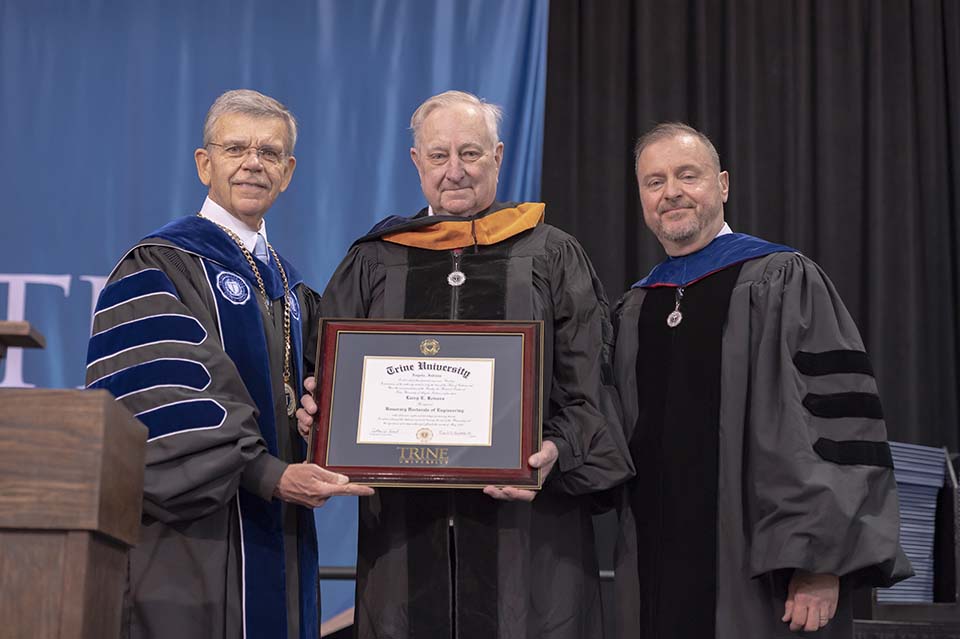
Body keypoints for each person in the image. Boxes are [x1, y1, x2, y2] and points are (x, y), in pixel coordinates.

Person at [297, 90, 634, 638]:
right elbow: (326, 378)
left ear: (499, 156)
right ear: (416, 162)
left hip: (530, 544)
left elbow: (590, 389)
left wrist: (556, 452)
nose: (454, 171)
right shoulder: (375, 259)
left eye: (471, 153)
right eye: (438, 155)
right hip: (405, 546)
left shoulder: (550, 254)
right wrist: (317, 416)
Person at [84, 89, 373, 639]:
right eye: (236, 147)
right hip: (192, 542)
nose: (253, 163)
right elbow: (161, 402)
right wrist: (268, 473)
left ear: (287, 172)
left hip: (281, 535)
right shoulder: (159, 266)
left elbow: (310, 396)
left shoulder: (291, 288)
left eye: (269, 153)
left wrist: (319, 425)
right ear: (204, 163)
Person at [612, 122, 912, 638]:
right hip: (653, 581)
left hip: (763, 580)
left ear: (723, 185)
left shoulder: (783, 280)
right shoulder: (637, 306)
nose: (672, 192)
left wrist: (819, 563)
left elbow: (831, 430)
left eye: (688, 175)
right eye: (654, 181)